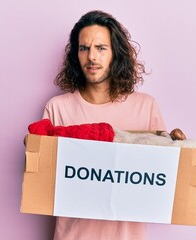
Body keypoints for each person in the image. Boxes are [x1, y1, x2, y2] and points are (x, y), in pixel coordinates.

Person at [42, 10, 166, 240]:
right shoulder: (57, 108)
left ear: (114, 53)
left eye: (101, 48)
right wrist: (36, 153)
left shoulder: (145, 107)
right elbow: (45, 184)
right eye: (84, 48)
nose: (91, 57)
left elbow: (161, 183)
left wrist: (180, 149)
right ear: (75, 55)